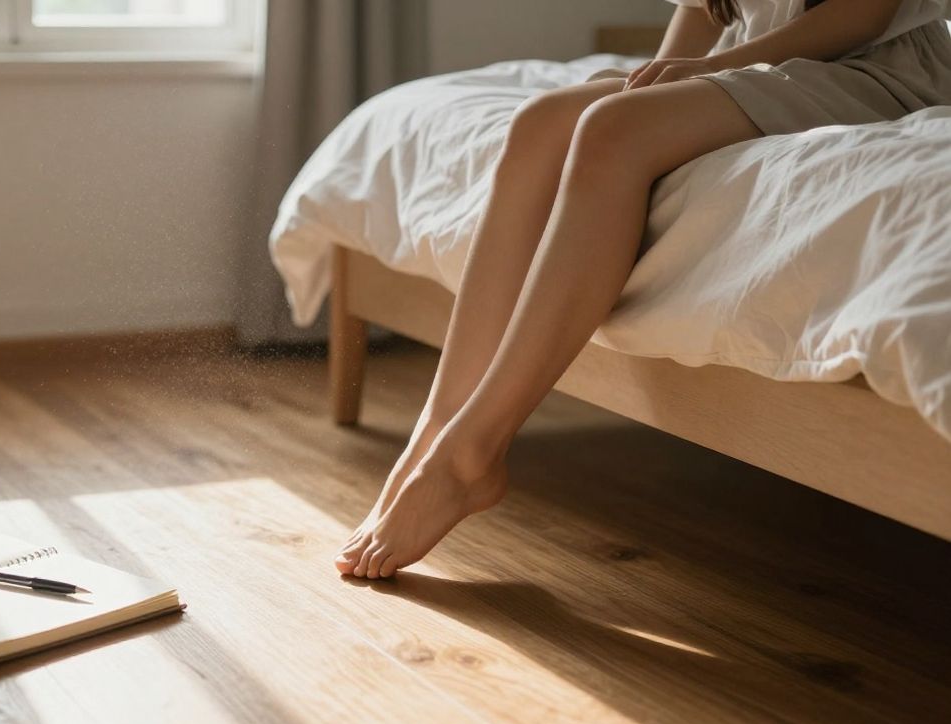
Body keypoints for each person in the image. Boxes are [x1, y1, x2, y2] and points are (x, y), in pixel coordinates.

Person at [335, 0, 951, 579]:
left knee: (612, 129)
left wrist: (707, 72)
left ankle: (471, 453)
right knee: (540, 123)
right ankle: (436, 432)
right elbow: (700, 16)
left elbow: (862, 15)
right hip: (756, 63)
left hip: (873, 68)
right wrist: (662, 76)